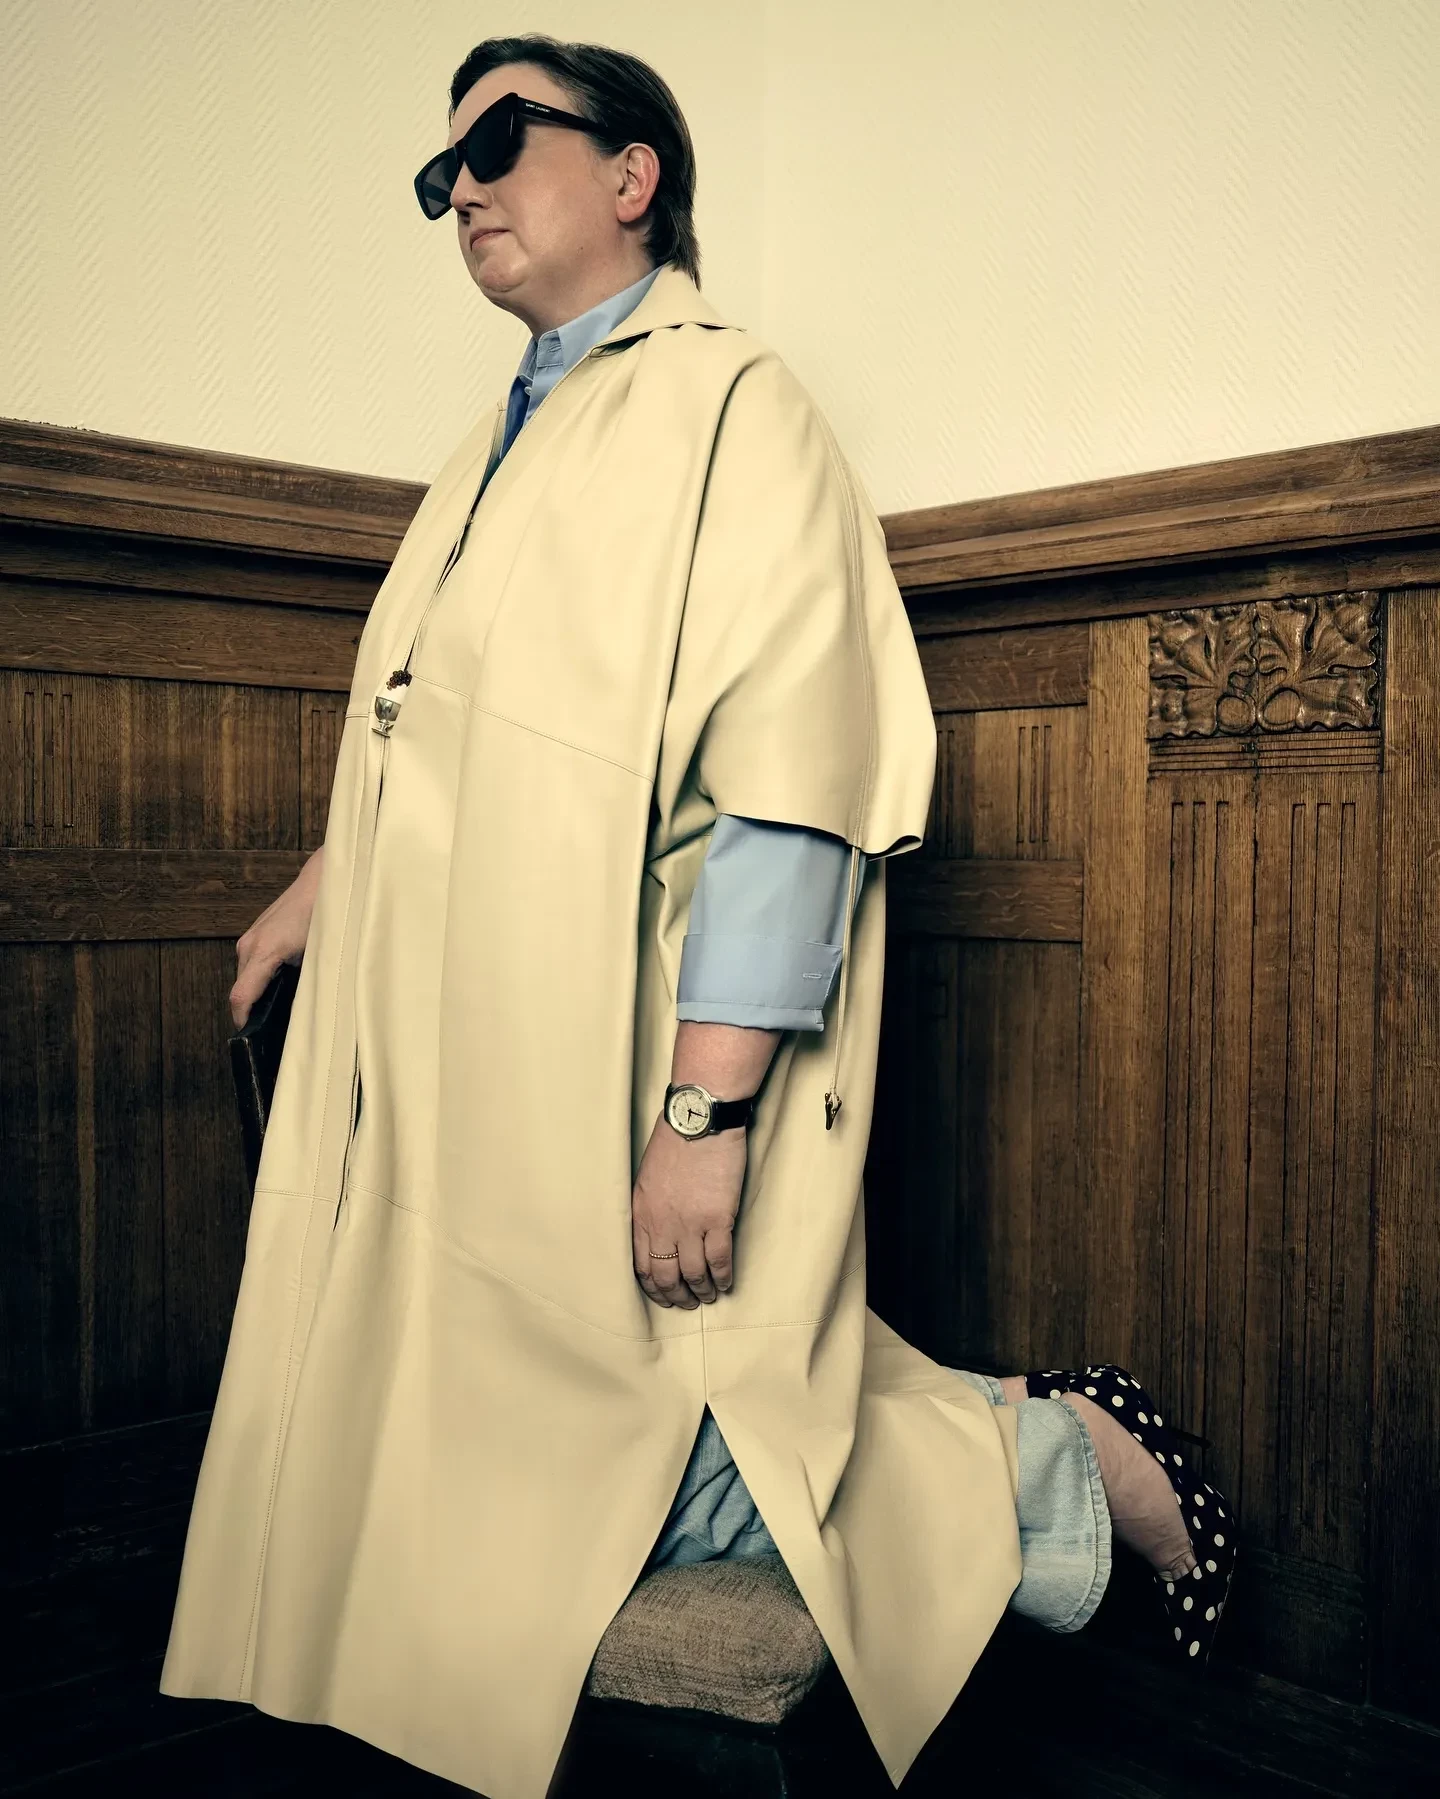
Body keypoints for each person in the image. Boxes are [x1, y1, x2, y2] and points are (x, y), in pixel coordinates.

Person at [159, 33, 1234, 1799]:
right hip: (467, 1074)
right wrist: (321, 886)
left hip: (624, 1061)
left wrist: (702, 1113)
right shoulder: (493, 452)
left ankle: (1052, 1458)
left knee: (644, 1455)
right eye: (440, 174)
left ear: (632, 171)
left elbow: (792, 785)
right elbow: (449, 744)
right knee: (434, 1430)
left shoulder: (737, 406)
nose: (462, 191)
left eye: (500, 142)